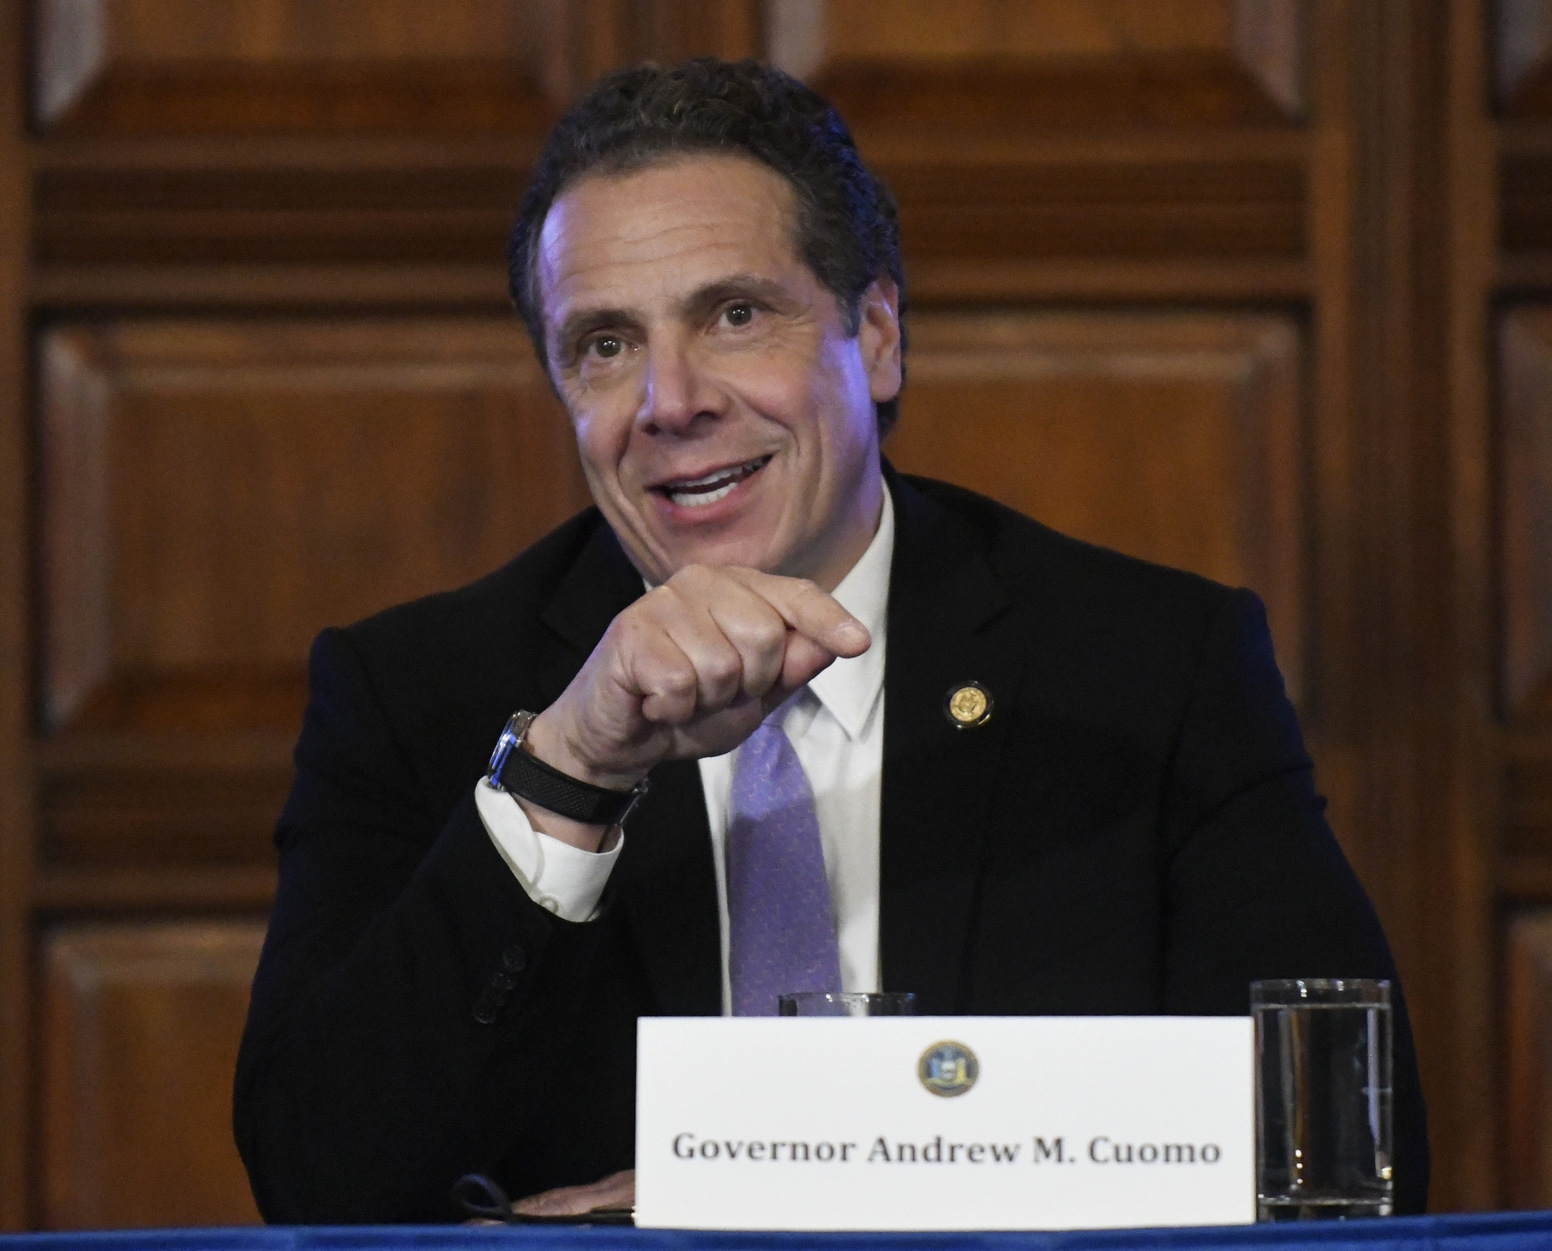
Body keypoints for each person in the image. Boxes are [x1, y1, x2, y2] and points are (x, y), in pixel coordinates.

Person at [234, 57, 1428, 1223]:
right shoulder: (419, 694)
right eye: (604, 345)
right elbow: (316, 1181)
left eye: (735, 315)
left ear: (879, 333)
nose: (668, 400)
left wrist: (798, 1188)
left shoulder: (1144, 667)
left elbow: (1336, 1149)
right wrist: (573, 771)